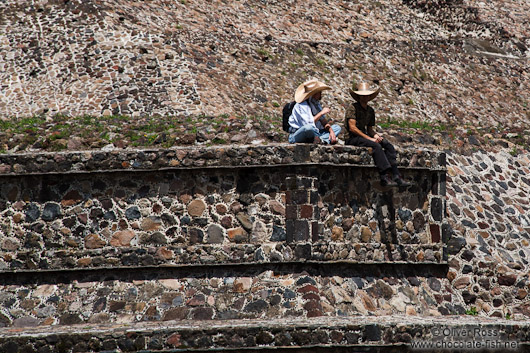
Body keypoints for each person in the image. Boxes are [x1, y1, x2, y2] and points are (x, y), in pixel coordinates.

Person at [345, 82, 410, 187]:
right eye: (363, 95)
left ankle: (396, 175)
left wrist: (376, 136)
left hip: (364, 136)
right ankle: (384, 175)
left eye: (367, 95)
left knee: (387, 145)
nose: (365, 97)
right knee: (376, 146)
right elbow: (352, 128)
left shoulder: (370, 110)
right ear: (359, 96)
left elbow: (370, 129)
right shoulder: (353, 108)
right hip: (352, 138)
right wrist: (370, 139)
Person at [288, 79, 341, 144]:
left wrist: (331, 131)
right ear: (314, 94)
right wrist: (321, 113)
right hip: (299, 133)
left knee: (337, 128)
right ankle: (324, 139)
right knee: (308, 128)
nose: (321, 94)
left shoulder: (316, 104)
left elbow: (323, 121)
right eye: (319, 92)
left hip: (316, 132)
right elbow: (308, 124)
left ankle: (321, 140)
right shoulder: (301, 106)